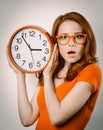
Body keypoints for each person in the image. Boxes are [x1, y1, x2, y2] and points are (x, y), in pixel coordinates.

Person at [7, 12, 102, 130]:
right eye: (64, 37)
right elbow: (27, 119)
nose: (71, 43)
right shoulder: (51, 72)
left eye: (78, 37)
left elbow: (56, 118)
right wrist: (20, 75)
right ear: (56, 43)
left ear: (86, 40)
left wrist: (47, 76)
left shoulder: (91, 71)